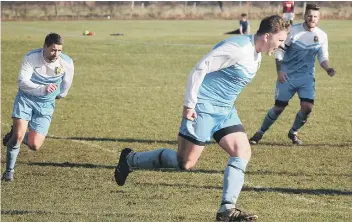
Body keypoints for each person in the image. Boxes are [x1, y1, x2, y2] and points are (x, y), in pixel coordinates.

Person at [114, 15, 289, 221]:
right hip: (203, 108)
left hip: (225, 111)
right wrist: (189, 104)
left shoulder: (256, 52)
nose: (281, 45)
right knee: (185, 162)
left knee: (242, 152)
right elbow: (200, 67)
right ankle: (130, 159)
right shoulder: (238, 48)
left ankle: (226, 210)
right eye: (280, 40)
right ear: (267, 36)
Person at [249, 4, 336, 146]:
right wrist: (280, 70)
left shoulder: (322, 36)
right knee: (278, 108)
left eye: (315, 16)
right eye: (309, 15)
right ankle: (260, 132)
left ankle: (293, 132)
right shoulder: (293, 31)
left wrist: (328, 68)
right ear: (304, 16)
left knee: (307, 107)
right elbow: (280, 50)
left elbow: (322, 56)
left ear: (319, 18)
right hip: (287, 76)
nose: (312, 18)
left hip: (306, 77)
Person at [2, 33, 75, 181]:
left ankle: (14, 133)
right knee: (18, 136)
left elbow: (66, 84)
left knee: (35, 145)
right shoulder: (31, 57)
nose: (56, 54)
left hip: (46, 104)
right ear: (45, 47)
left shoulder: (66, 62)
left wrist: (60, 94)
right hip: (26, 99)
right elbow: (22, 82)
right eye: (53, 50)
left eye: (59, 50)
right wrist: (43, 88)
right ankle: (9, 172)